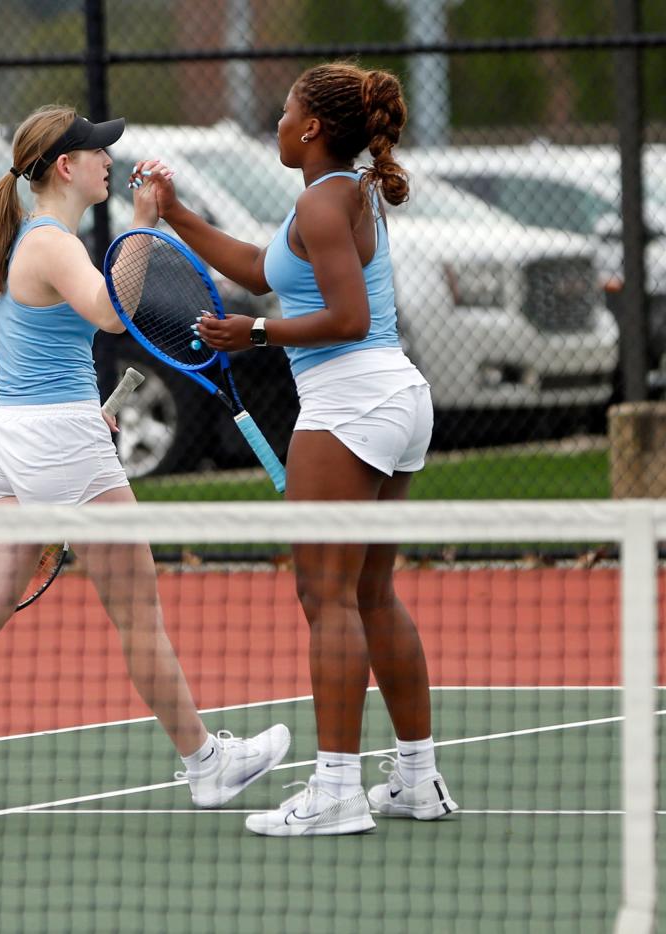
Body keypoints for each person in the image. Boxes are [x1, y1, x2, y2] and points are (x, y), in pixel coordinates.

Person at [0, 105, 290, 823]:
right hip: (56, 441)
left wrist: (69, 405)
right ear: (65, 167)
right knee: (138, 612)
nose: (107, 159)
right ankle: (206, 765)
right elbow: (109, 312)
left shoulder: (22, 243)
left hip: (7, 439)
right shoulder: (47, 239)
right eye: (96, 152)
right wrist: (143, 224)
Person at [135, 62, 459, 836]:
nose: (276, 124)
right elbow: (257, 268)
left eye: (284, 113)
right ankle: (418, 780)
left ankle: (337, 789)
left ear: (311, 129)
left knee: (328, 597)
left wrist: (256, 333)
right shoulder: (335, 197)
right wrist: (176, 212)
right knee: (371, 593)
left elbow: (345, 317)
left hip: (352, 400)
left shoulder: (325, 201)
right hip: (393, 400)